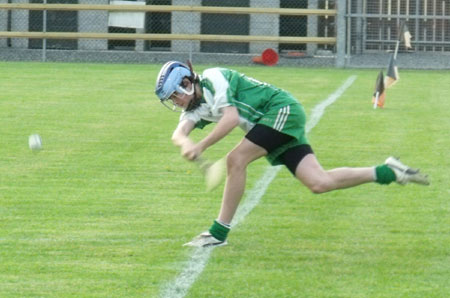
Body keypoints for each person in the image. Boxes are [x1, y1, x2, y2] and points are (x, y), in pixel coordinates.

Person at [154, 61, 429, 247]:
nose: (175, 102)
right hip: (272, 122)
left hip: (281, 110)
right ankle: (389, 171)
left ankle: (218, 232)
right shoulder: (195, 108)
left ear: (187, 82)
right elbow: (178, 133)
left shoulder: (214, 77)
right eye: (171, 99)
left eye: (174, 95)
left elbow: (229, 119)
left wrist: (200, 146)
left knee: (235, 159)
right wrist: (185, 144)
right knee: (318, 183)